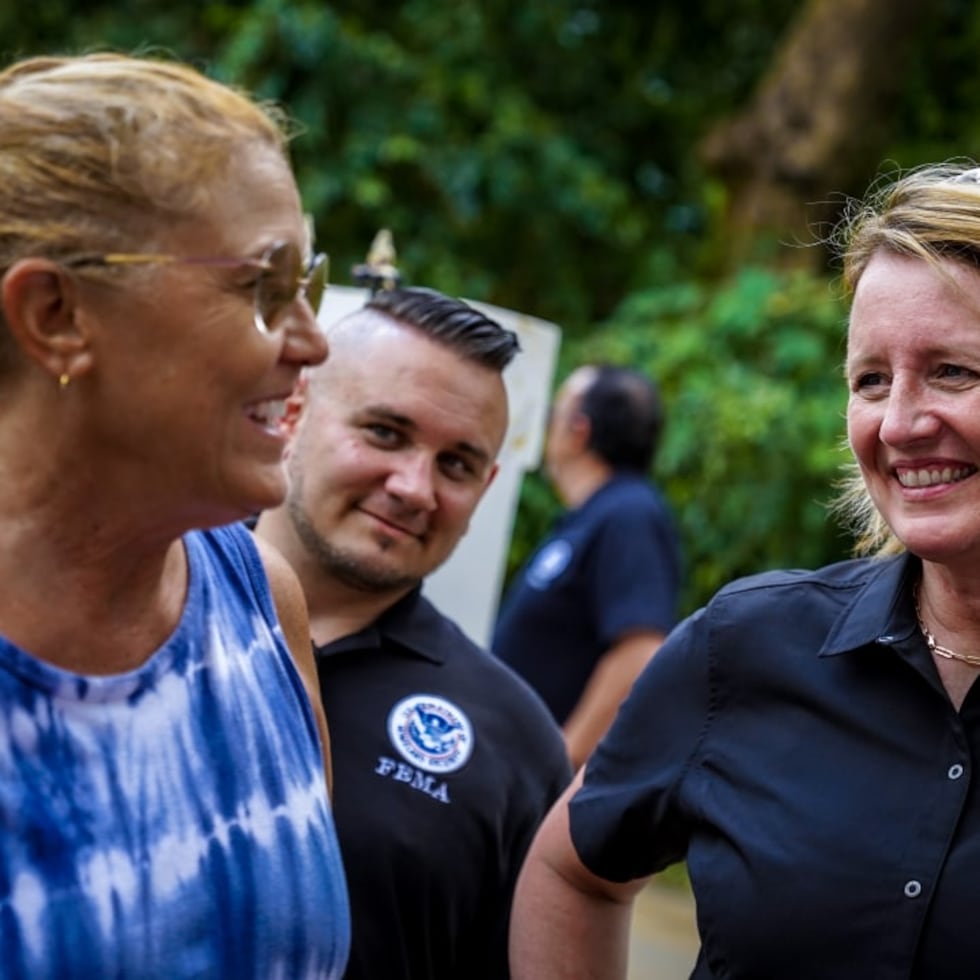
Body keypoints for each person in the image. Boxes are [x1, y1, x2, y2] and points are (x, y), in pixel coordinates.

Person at [508, 159, 980, 979]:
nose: (900, 423)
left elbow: (629, 639)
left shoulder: (627, 519)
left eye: (954, 371)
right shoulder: (749, 645)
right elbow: (568, 870)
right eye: (870, 379)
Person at [0, 53, 349, 977]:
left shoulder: (261, 603)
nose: (314, 340)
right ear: (55, 313)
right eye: (263, 289)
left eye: (306, 284)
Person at [254, 286, 572, 980]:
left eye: (455, 464)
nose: (414, 488)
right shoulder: (145, 608)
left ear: (485, 489)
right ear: (295, 411)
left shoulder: (515, 746)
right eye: (385, 433)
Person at [493, 363, 683, 768]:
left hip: (549, 790)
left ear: (578, 430)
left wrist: (564, 758)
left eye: (553, 415)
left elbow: (640, 649)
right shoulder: (597, 516)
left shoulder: (630, 513)